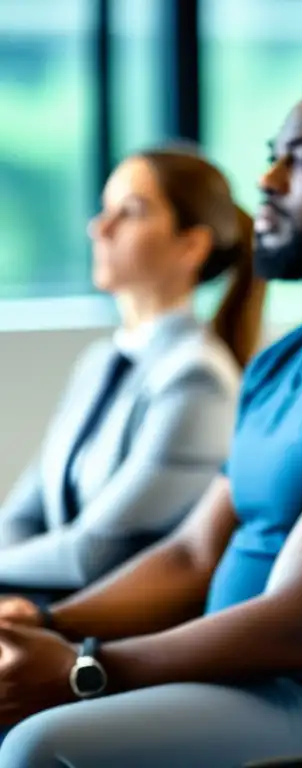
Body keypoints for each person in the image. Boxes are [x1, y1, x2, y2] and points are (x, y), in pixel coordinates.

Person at [0, 67, 302, 767]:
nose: (265, 182)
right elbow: (191, 555)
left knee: (39, 746)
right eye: (272, 156)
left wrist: (83, 663)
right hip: (245, 678)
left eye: (301, 160)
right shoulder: (281, 360)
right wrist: (45, 619)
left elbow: (295, 626)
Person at [0, 147, 263, 598]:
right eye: (105, 210)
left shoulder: (198, 379)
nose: (100, 228)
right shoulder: (100, 362)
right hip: (43, 612)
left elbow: (94, 554)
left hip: (112, 635)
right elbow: (24, 514)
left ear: (192, 245)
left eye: (131, 212)